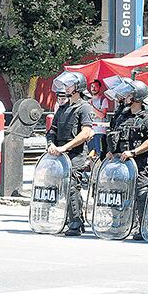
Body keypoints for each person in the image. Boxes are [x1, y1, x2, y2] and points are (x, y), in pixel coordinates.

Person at [103, 79, 148, 240]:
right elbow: (115, 135)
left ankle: (143, 227)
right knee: (117, 192)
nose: (125, 97)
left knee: (141, 194)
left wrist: (134, 152)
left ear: (137, 97)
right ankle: (118, 223)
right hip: (121, 163)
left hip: (140, 163)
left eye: (129, 94)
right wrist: (111, 152)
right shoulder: (123, 116)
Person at [46, 71, 95, 236]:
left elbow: (86, 132)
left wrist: (65, 147)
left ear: (78, 87)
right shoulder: (63, 108)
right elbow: (52, 130)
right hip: (59, 153)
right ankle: (72, 219)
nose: (66, 87)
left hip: (76, 153)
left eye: (70, 85)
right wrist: (51, 144)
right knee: (61, 186)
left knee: (72, 186)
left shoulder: (84, 107)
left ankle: (75, 222)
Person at [88, 79, 110, 157]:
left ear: (100, 88)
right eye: (92, 86)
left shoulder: (103, 100)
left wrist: (91, 106)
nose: (93, 88)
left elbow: (102, 115)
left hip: (99, 132)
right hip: (89, 131)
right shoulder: (87, 100)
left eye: (96, 86)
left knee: (99, 154)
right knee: (89, 155)